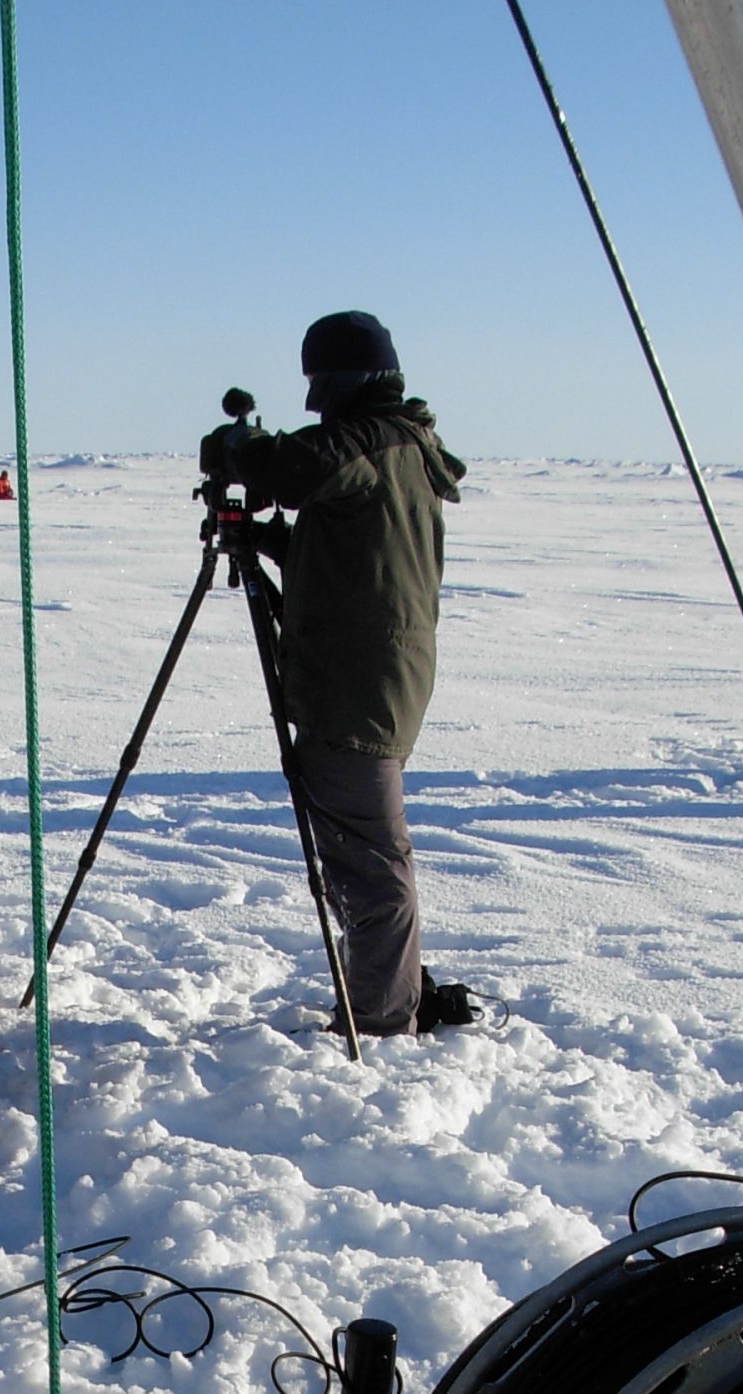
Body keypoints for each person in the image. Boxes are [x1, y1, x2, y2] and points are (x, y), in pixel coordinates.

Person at [201, 310, 468, 1038]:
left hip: (357, 692)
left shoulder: (366, 442)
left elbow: (291, 466)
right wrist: (260, 537)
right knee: (368, 852)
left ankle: (382, 1022)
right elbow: (353, 562)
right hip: (372, 676)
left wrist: (237, 446)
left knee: (370, 865)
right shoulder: (401, 447)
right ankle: (388, 994)